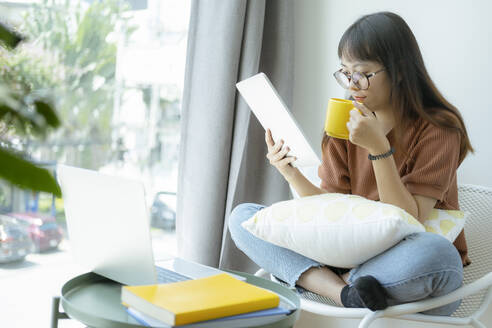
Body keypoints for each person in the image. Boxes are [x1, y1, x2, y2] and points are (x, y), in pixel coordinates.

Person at [228, 11, 474, 315]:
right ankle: (344, 292)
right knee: (243, 218)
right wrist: (291, 174)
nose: (351, 83)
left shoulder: (439, 128)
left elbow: (411, 219)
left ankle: (329, 281)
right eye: (345, 72)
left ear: (398, 71)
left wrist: (379, 149)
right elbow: (330, 206)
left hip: (407, 261)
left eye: (362, 73)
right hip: (352, 256)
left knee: (438, 255)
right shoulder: (343, 122)